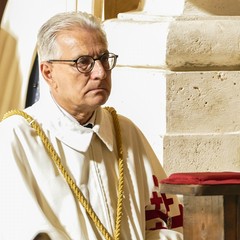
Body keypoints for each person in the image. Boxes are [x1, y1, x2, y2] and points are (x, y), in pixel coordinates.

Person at [0, 11, 183, 240]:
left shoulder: (125, 131)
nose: (100, 72)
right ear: (48, 73)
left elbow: (166, 221)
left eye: (104, 59)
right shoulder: (16, 137)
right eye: (83, 62)